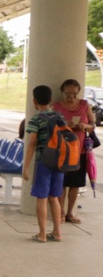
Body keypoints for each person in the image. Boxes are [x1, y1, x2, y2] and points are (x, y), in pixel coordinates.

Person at [22, 84, 64, 243]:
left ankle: (42, 234)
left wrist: (26, 167)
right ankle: (57, 232)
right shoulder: (60, 117)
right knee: (54, 197)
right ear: (51, 99)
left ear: (34, 101)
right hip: (59, 162)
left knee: (41, 197)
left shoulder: (36, 119)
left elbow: (32, 143)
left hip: (44, 163)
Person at [51, 78, 95, 224]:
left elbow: (92, 125)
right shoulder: (56, 107)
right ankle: (61, 213)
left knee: (75, 184)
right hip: (63, 150)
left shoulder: (84, 105)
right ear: (62, 92)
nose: (71, 97)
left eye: (74, 94)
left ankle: (70, 212)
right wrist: (64, 126)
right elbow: (51, 127)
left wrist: (84, 125)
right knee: (61, 183)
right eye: (68, 94)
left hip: (80, 150)